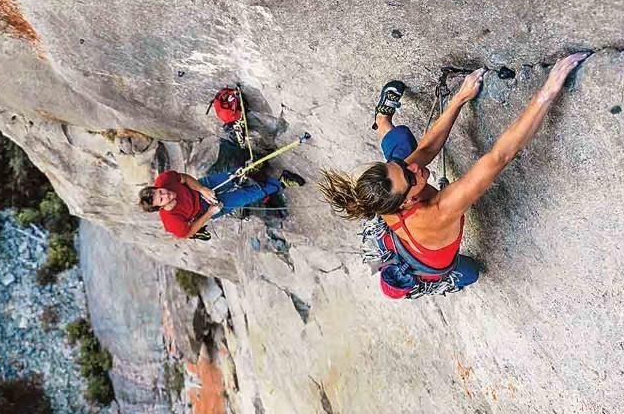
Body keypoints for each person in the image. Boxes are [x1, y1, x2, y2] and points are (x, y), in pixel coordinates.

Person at [318, 52, 588, 298]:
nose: (413, 168)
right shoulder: (439, 211)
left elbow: (427, 148)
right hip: (429, 262)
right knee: (469, 273)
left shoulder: (391, 194)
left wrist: (460, 98)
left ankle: (381, 121)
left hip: (403, 231)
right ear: (407, 203)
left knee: (404, 145)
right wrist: (548, 92)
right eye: (410, 178)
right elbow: (498, 157)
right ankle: (384, 127)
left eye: (401, 166)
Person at [138, 168, 304, 239]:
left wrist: (203, 189)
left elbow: (183, 178)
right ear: (160, 207)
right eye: (162, 199)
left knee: (236, 174)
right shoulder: (171, 222)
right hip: (203, 211)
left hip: (200, 188)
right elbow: (188, 232)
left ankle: (256, 171)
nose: (165, 194)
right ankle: (281, 182)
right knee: (244, 197)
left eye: (160, 191)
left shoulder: (164, 180)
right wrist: (210, 212)